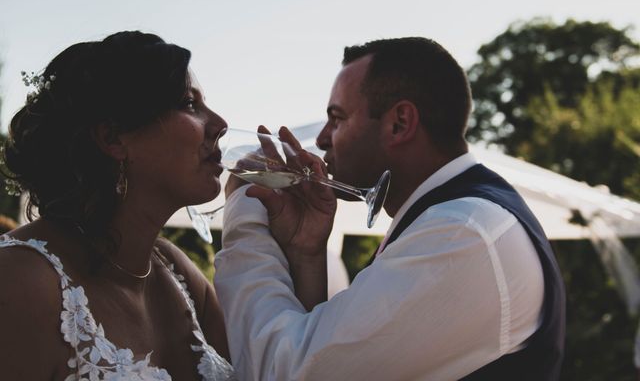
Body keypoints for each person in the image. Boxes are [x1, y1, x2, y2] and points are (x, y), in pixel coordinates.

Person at [214, 37, 566, 380]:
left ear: (400, 123)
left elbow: (287, 372)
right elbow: (327, 352)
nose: (322, 139)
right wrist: (306, 253)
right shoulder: (451, 220)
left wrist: (245, 211)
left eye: (337, 118)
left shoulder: (462, 232)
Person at [0, 31, 236, 380]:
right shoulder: (21, 283)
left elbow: (283, 369)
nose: (220, 124)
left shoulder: (178, 273)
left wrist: (299, 251)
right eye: (189, 103)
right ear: (112, 138)